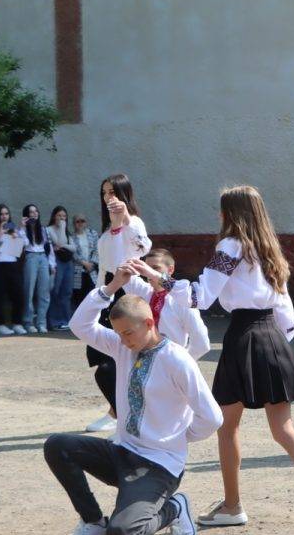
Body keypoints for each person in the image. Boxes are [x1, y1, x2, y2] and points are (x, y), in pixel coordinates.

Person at [192, 185, 294, 535]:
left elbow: (202, 294)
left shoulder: (229, 246)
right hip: (273, 336)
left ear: (230, 214)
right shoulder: (269, 249)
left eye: (221, 209)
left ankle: (232, 505)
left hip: (243, 335)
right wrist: (277, 346)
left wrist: (161, 283)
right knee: (284, 429)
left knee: (228, 427)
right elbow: (286, 312)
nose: (218, 216)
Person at [48, 266, 218, 535]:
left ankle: (175, 508)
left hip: (158, 465)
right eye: (119, 333)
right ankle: (92, 523)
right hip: (121, 453)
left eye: (129, 332)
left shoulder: (177, 359)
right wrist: (111, 287)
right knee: (57, 445)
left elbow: (212, 417)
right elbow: (80, 326)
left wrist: (177, 438)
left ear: (150, 323)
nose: (124, 340)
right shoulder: (122, 347)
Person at [84, 175, 151, 433]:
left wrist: (123, 222)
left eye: (113, 192)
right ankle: (117, 410)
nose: (108, 197)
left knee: (120, 356)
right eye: (104, 193)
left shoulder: (134, 223)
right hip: (108, 291)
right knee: (99, 354)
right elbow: (105, 265)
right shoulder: (107, 230)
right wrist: (98, 297)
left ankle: (121, 412)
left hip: (128, 289)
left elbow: (142, 248)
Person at [120, 250, 211, 359]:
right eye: (146, 268)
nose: (148, 273)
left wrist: (180, 362)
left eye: (155, 268)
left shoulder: (182, 301)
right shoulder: (143, 291)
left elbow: (202, 343)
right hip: (142, 361)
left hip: (169, 362)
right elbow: (123, 265)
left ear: (170, 269)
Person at [0, 204, 25, 336]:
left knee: (18, 295)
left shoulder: (12, 228)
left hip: (12, 264)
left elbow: (20, 248)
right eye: (2, 214)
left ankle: (17, 323)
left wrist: (18, 233)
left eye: (6, 214)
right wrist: (0, 234)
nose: (4, 217)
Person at [18, 203, 55, 334]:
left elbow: (48, 248)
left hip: (43, 258)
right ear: (26, 215)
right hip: (30, 257)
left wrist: (52, 264)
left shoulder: (43, 229)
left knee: (44, 292)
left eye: (36, 212)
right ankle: (28, 322)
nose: (34, 214)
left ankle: (41, 323)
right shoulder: (22, 230)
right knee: (29, 291)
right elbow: (24, 244)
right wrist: (23, 227)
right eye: (31, 212)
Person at [45, 206, 75, 330]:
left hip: (68, 262)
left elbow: (73, 247)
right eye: (59, 216)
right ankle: (55, 321)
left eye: (64, 216)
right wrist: (62, 229)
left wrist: (63, 245)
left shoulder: (67, 231)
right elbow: (59, 242)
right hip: (56, 262)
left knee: (66, 292)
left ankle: (66, 320)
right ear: (54, 216)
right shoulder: (48, 230)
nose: (62, 219)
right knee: (55, 291)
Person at [68, 213, 99, 307]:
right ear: (74, 224)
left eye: (82, 221)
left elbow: (97, 249)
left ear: (86, 223)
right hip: (78, 270)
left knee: (92, 294)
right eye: (77, 221)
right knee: (79, 296)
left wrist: (92, 263)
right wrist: (84, 263)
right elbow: (73, 253)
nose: (80, 223)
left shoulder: (93, 234)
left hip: (92, 269)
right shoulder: (71, 237)